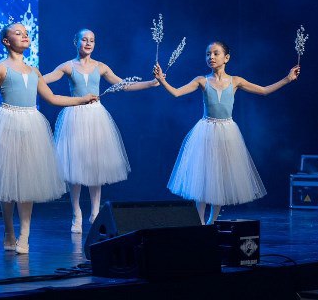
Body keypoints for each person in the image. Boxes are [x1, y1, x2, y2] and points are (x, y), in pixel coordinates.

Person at [0, 22, 98, 254]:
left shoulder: (34, 71)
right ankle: (9, 230)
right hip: (7, 123)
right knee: (8, 181)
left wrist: (81, 99)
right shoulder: (0, 68)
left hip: (31, 125)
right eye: (18, 33)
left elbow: (53, 98)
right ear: (6, 41)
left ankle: (25, 235)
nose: (24, 36)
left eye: (26, 33)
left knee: (27, 182)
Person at [153, 41, 300, 225]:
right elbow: (176, 93)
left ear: (226, 58)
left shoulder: (236, 81)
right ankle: (200, 223)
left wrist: (287, 79)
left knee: (220, 177)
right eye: (208, 54)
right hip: (206, 131)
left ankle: (212, 222)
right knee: (203, 178)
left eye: (216, 53)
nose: (211, 57)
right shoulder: (201, 80)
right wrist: (162, 80)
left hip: (227, 132)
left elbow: (263, 91)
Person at [43, 28, 159, 233]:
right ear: (76, 42)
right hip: (75, 116)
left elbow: (123, 85)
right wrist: (25, 75)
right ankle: (76, 213)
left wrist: (151, 83)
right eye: (84, 40)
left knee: (95, 166)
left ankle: (95, 213)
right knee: (74, 167)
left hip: (96, 117)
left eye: (92, 40)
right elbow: (44, 79)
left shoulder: (101, 67)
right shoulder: (67, 66)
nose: (88, 43)